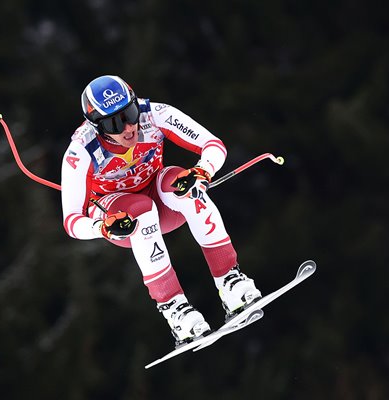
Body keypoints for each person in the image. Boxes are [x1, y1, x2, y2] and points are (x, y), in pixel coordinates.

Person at [61, 75, 261, 346]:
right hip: (119, 215)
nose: (128, 127)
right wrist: (102, 227)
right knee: (140, 209)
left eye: (129, 113)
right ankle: (175, 310)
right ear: (97, 126)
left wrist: (202, 172)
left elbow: (213, 145)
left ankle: (230, 281)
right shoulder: (81, 150)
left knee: (186, 186)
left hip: (158, 196)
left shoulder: (154, 114)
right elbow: (72, 221)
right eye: (114, 123)